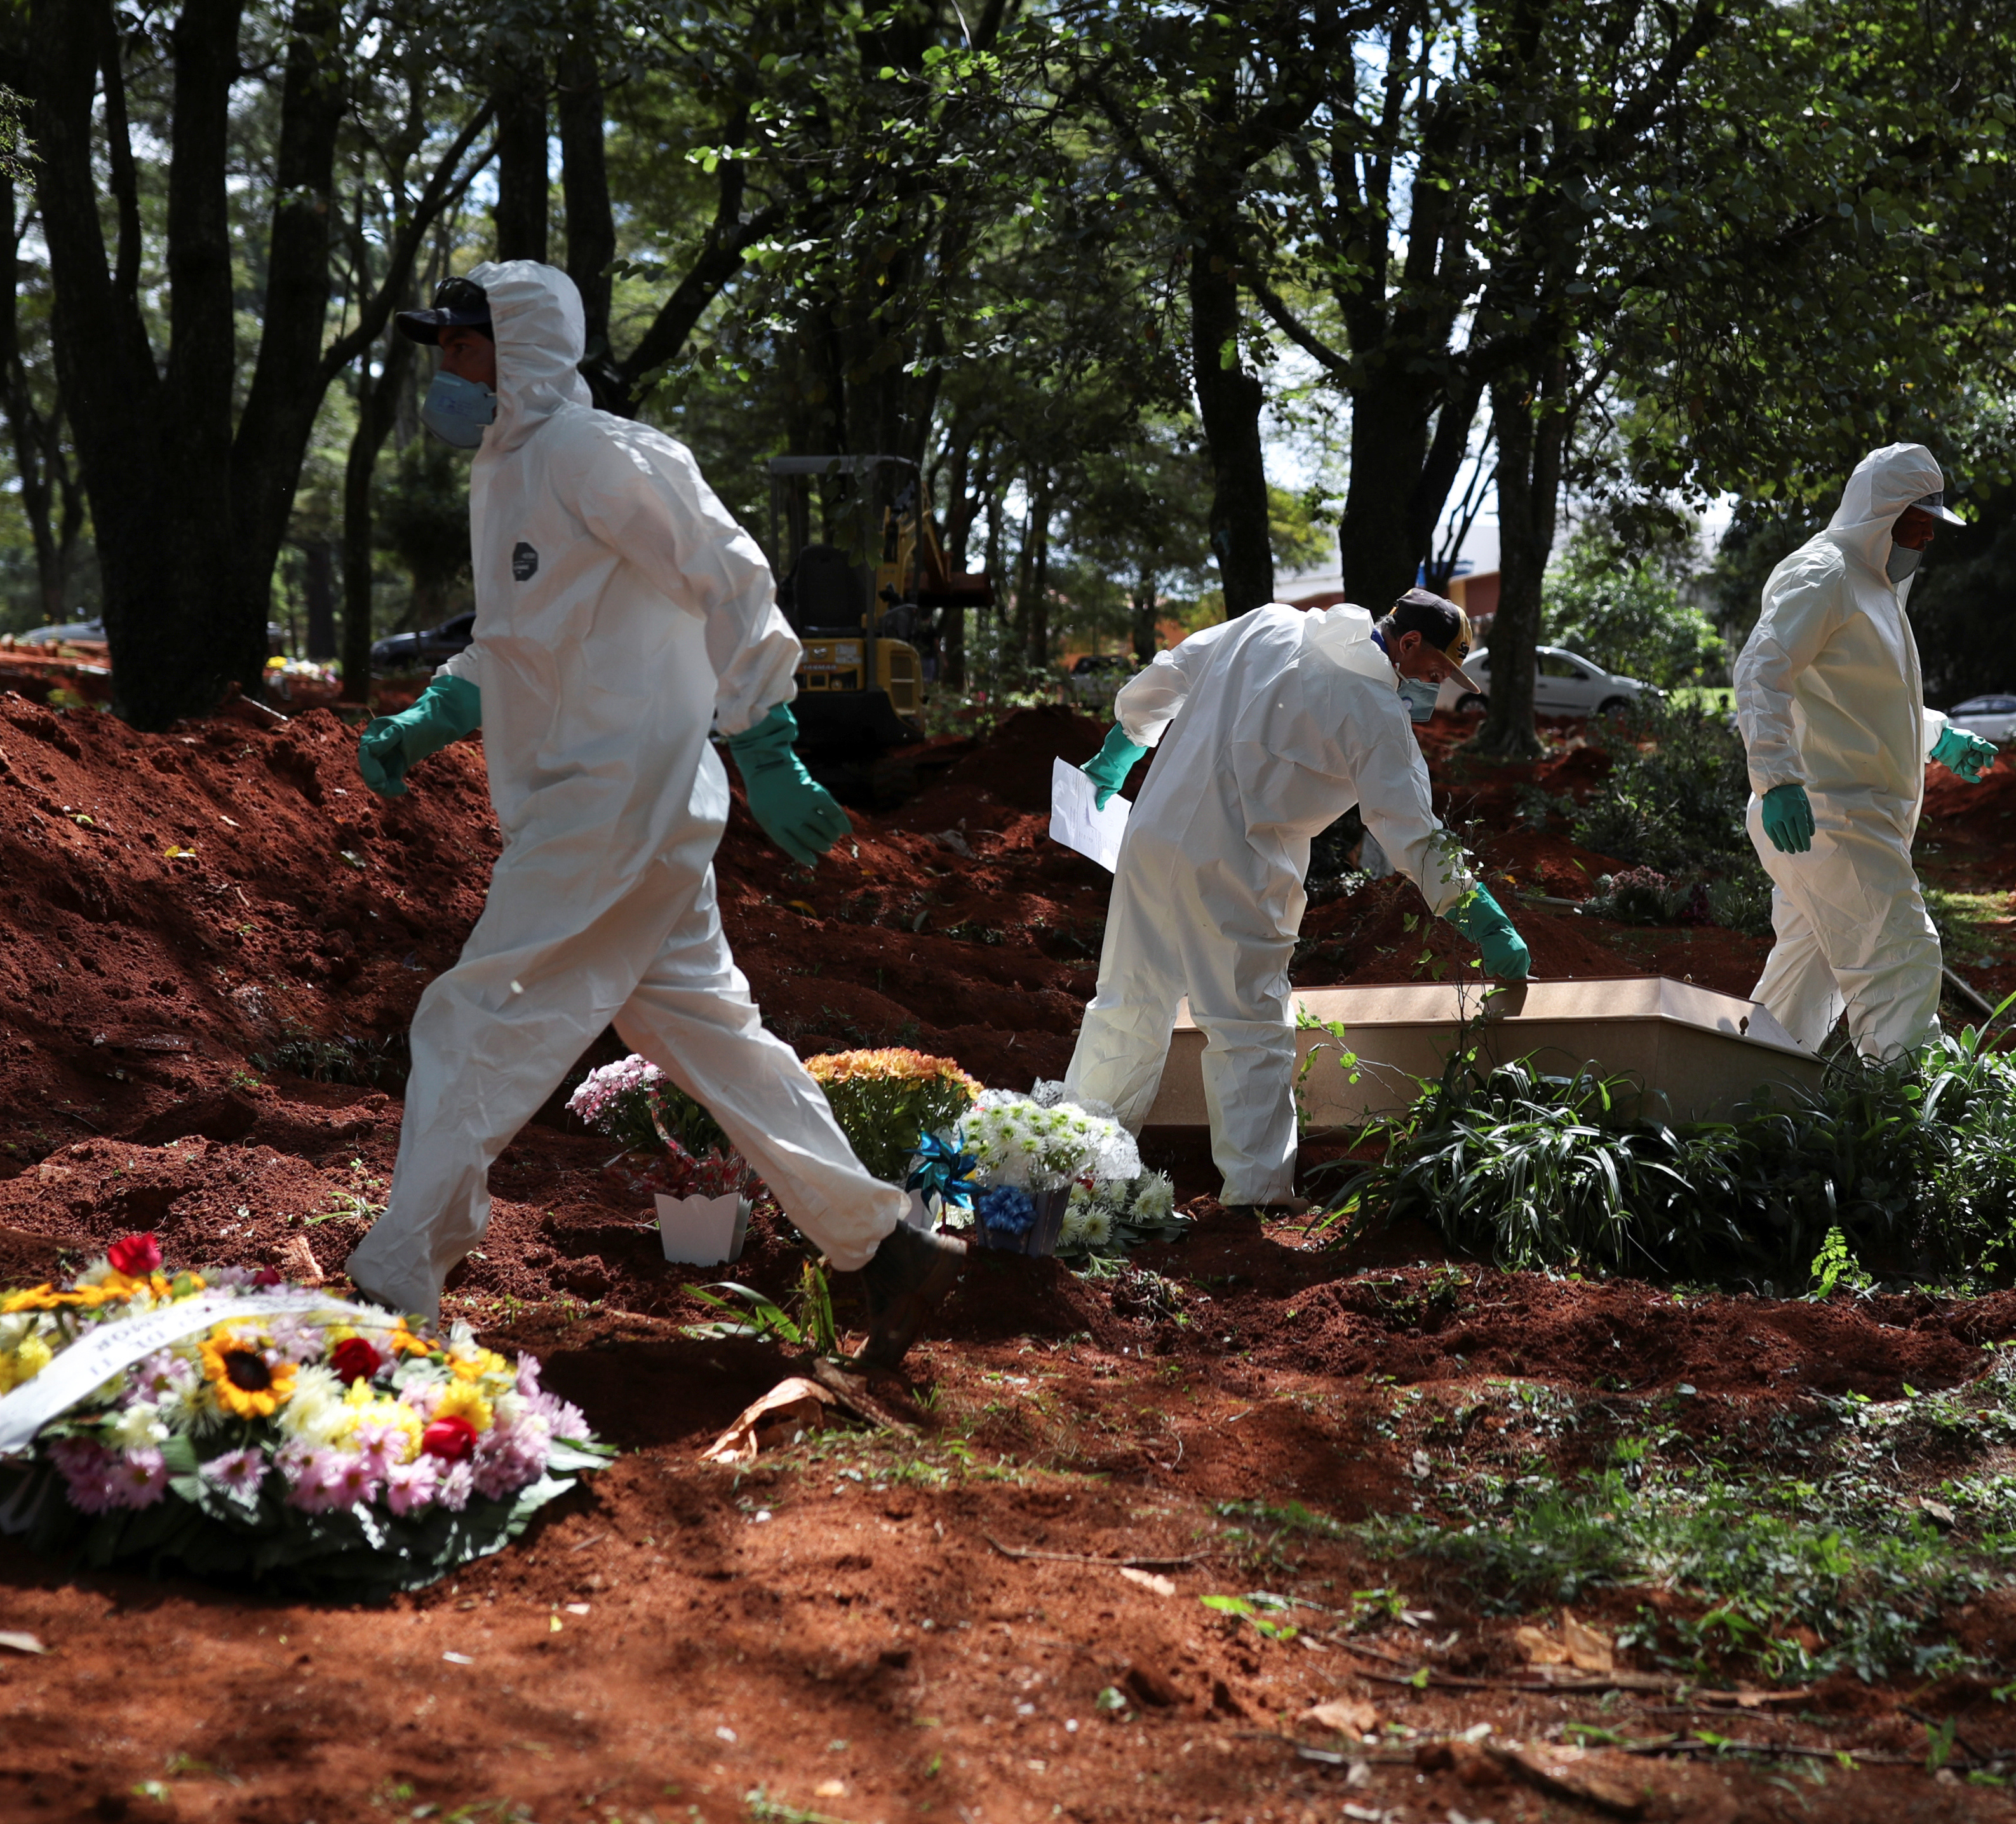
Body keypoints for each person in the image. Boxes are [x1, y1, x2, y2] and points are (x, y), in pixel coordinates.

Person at [342, 263, 964, 1364]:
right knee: (708, 1034)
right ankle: (884, 1244)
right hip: (609, 805)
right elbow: (519, 643)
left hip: (613, 798)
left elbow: (731, 573)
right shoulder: (509, 473)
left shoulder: (595, 453)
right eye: (436, 344)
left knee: (474, 1018)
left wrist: (765, 736)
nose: (441, 365)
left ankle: (399, 1282)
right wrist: (430, 719)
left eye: (458, 343)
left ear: (518, 349)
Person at [1061, 590, 1531, 1206]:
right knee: (1248, 1026)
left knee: (1126, 1003)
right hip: (1237, 867)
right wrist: (1485, 920)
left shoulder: (1271, 622)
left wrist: (1121, 747)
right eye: (1436, 669)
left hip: (1153, 835)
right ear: (1409, 643)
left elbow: (1172, 671)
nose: (1436, 685)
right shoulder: (1374, 713)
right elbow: (1413, 833)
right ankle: (1256, 1191)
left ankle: (1072, 1169)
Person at [1733, 441, 1997, 1060]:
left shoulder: (1875, 587)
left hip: (1849, 812)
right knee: (1901, 954)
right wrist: (1777, 780)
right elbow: (1760, 670)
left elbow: (1868, 702)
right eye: (1919, 522)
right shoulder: (1824, 571)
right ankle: (1907, 1115)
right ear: (1883, 512)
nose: (1927, 539)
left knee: (1804, 979)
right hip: (1827, 812)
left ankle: (1743, 1097)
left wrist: (1939, 735)